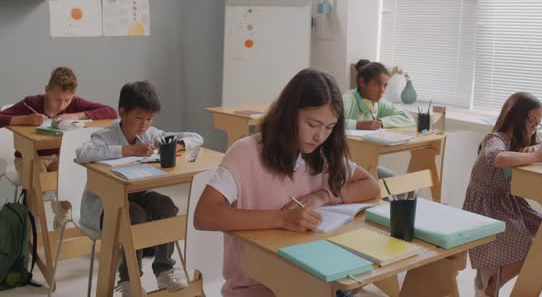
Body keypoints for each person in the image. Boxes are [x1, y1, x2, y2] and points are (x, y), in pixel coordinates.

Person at [194, 68, 381, 297]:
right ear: (289, 114)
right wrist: (282, 218)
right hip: (256, 288)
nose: (320, 136)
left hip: (317, 279)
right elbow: (204, 215)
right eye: (312, 124)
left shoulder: (322, 154)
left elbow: (371, 185)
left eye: (329, 127)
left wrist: (324, 195)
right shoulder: (246, 153)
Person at [76, 81, 204, 296]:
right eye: (139, 117)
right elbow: (83, 153)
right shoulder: (104, 136)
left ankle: (164, 270)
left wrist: (175, 146)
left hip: (137, 194)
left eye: (149, 118)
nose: (144, 124)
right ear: (122, 113)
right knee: (133, 213)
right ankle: (128, 281)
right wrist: (128, 150)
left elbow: (196, 137)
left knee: (166, 206)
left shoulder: (151, 134)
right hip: (102, 207)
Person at [462, 92, 542, 296]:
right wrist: (536, 155)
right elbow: (498, 158)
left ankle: (490, 276)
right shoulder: (495, 138)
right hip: (486, 205)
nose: (534, 127)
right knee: (531, 246)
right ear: (515, 117)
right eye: (531, 121)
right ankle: (491, 282)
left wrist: (539, 146)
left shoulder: (524, 142)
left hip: (510, 202)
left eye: (538, 123)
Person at [0, 66, 118, 226]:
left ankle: (61, 214)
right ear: (47, 90)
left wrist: (77, 114)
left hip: (59, 157)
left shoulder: (74, 104)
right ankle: (32, 228)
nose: (62, 105)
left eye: (67, 100)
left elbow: (110, 112)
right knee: (37, 184)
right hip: (30, 157)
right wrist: (25, 120)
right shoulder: (32, 103)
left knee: (72, 181)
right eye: (57, 99)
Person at [343, 59, 414, 130]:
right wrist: (359, 125)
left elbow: (408, 118)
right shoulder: (346, 100)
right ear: (362, 82)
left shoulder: (379, 102)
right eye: (378, 84)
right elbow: (333, 123)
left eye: (385, 85)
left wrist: (380, 123)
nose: (382, 90)